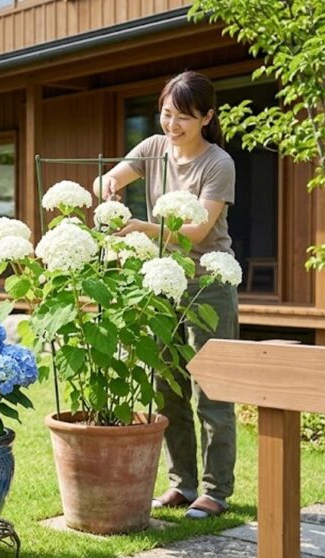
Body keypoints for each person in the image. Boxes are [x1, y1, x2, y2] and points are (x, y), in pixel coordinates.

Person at [92, 71, 239, 519]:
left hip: (207, 282)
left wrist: (140, 227)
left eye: (183, 118)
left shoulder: (218, 163)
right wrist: (109, 187)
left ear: (207, 117)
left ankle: (215, 490)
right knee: (166, 385)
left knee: (212, 389)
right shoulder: (154, 149)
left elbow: (196, 231)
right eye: (166, 114)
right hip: (159, 279)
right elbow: (108, 179)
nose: (172, 126)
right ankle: (182, 484)